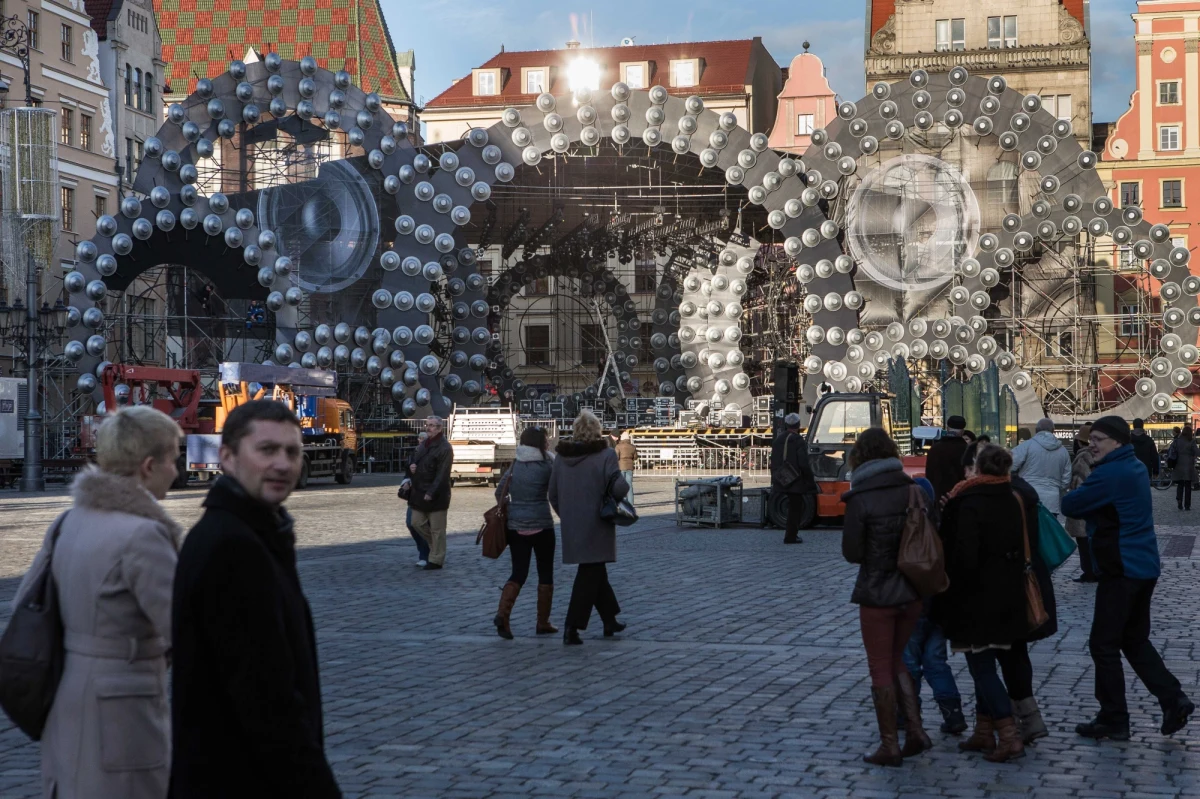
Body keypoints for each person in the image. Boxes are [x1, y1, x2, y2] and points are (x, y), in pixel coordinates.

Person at [171, 400, 341, 798]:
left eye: (292, 451)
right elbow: (268, 701)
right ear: (227, 458)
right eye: (267, 450)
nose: (282, 464)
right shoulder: (233, 546)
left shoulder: (254, 532)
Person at [15, 408, 181, 798]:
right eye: (174, 459)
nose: (176, 471)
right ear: (148, 465)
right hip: (123, 706)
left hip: (67, 694)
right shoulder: (143, 535)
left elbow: (26, 603)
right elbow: (182, 627)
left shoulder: (68, 522)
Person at [1062, 416, 1194, 741]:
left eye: (1099, 439)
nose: (1092, 444)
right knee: (1133, 640)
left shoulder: (1110, 473)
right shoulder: (1133, 465)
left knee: (1103, 645)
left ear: (1118, 442)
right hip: (1143, 566)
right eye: (1091, 438)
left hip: (1121, 569)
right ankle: (1173, 698)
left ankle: (1114, 718)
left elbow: (1071, 504)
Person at [933, 444, 1031, 763]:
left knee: (981, 666)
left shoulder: (967, 501)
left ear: (977, 468)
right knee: (988, 662)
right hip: (1008, 594)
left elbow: (962, 556)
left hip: (975, 598)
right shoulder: (1013, 496)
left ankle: (1008, 735)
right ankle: (984, 731)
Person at [840, 428, 932, 766]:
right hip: (912, 590)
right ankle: (917, 731)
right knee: (899, 662)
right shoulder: (913, 491)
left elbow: (852, 552)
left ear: (859, 458)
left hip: (878, 593)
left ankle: (889, 744)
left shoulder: (860, 498)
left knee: (880, 666)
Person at [549, 409, 629, 645]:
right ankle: (572, 626)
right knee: (589, 573)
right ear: (597, 430)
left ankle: (609, 619)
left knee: (595, 570)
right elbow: (619, 489)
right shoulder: (605, 455)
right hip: (598, 523)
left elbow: (552, 493)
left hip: (572, 525)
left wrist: (567, 515)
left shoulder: (562, 457)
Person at [903, 475, 968, 737]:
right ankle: (953, 715)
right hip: (940, 604)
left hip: (913, 603)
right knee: (936, 661)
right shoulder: (945, 524)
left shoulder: (909, 529)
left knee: (908, 661)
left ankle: (907, 714)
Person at [493, 427, 558, 639]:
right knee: (545, 573)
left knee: (519, 572)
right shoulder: (548, 464)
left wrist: (513, 508)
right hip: (542, 525)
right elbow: (556, 492)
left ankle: (503, 614)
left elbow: (499, 491)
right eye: (546, 440)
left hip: (515, 527)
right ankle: (543, 622)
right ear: (540, 443)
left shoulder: (515, 464)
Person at [402, 415, 454, 570]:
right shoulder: (424, 444)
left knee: (438, 528)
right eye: (427, 424)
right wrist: (411, 467)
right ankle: (436, 547)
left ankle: (436, 560)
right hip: (418, 491)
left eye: (432, 425)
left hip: (437, 494)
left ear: (439, 428)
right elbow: (413, 461)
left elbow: (442, 474)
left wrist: (431, 492)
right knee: (415, 522)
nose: (428, 427)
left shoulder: (445, 447)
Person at [769, 413, 818, 544]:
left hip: (781, 478)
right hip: (794, 480)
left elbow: (773, 461)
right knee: (795, 509)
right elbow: (803, 463)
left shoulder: (778, 440)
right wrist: (810, 481)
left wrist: (775, 477)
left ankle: (790, 535)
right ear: (798, 425)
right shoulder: (798, 441)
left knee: (788, 505)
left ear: (786, 425)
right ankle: (791, 536)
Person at [1010, 418, 1072, 518]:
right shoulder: (1063, 451)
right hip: (1052, 501)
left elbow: (1010, 465)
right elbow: (1066, 480)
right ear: (1053, 431)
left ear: (1036, 430)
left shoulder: (1026, 446)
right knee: (1048, 531)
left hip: (1028, 496)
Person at [1066, 423, 1098, 583]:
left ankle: (1088, 572)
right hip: (1096, 507)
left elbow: (1077, 484)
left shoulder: (1082, 458)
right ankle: (1096, 570)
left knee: (1084, 542)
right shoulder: (1099, 456)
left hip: (1083, 508)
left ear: (1080, 442)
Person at [924, 415, 968, 500]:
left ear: (947, 428)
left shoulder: (935, 449)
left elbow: (929, 476)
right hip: (962, 497)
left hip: (938, 498)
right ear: (963, 432)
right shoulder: (967, 450)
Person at [406, 431, 430, 567]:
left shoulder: (434, 453)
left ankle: (427, 554)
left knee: (425, 525)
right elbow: (406, 472)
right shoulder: (413, 454)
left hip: (428, 494)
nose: (421, 441)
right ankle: (424, 551)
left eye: (424, 438)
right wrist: (406, 481)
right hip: (414, 494)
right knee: (411, 523)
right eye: (420, 438)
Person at [1169, 425, 1198, 510]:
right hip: (1188, 466)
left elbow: (1172, 452)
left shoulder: (1177, 441)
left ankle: (1179, 500)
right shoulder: (1191, 441)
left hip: (1178, 465)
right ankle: (1187, 505)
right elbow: (1196, 452)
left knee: (1180, 484)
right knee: (1188, 486)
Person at [615, 431, 638, 505]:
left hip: (621, 467)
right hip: (630, 467)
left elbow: (616, 457)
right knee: (629, 486)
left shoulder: (618, 446)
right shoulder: (632, 447)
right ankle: (631, 503)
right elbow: (635, 457)